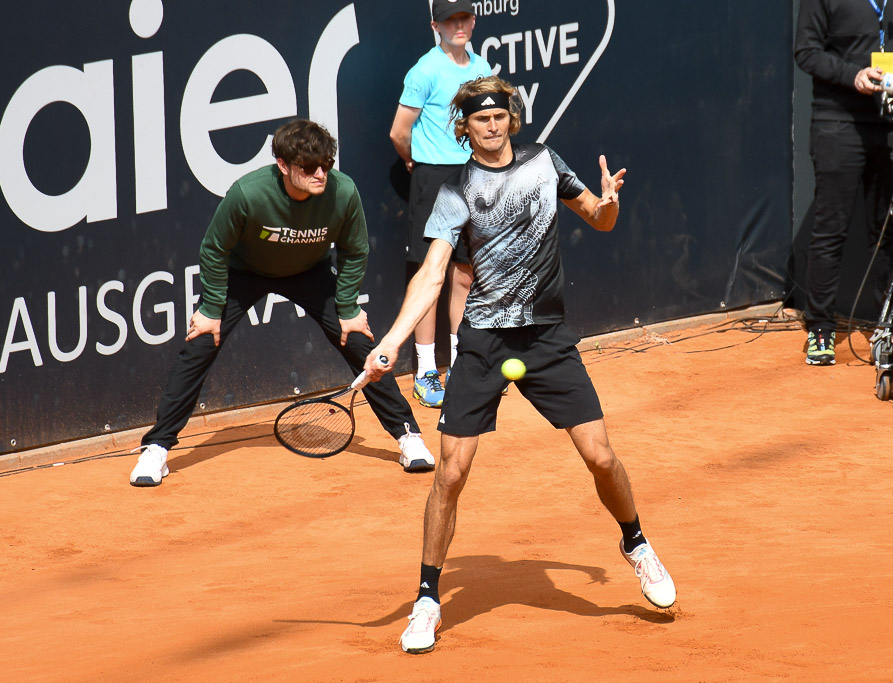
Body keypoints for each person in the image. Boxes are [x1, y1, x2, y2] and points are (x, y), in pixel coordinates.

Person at [365, 76, 676, 655]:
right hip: (483, 340)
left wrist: (608, 205)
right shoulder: (455, 191)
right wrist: (391, 341)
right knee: (451, 472)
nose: (492, 125)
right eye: (480, 119)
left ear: (511, 118)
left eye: (500, 116)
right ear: (466, 125)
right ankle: (428, 600)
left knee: (600, 455)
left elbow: (598, 219)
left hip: (547, 339)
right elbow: (433, 275)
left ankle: (636, 544)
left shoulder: (545, 163)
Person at [128, 119, 435, 487]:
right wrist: (210, 310)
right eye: (308, 167)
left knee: (357, 341)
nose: (320, 174)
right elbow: (214, 249)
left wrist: (349, 308)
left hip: (310, 272)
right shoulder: (247, 194)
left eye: (326, 165)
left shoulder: (343, 193)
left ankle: (408, 437)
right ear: (283, 165)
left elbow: (355, 251)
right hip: (245, 273)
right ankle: (157, 449)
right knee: (199, 344)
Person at [794, 0, 893, 365]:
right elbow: (806, 51)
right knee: (831, 229)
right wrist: (852, 75)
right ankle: (821, 330)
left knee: (888, 231)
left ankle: (889, 327)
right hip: (838, 123)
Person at [389, 0, 491, 408]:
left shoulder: (483, 70)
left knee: (466, 274)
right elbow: (400, 131)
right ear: (436, 26)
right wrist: (417, 159)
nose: (459, 26)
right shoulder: (424, 70)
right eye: (450, 20)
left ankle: (463, 364)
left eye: (464, 18)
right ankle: (427, 371)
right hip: (433, 178)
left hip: (474, 174)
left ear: (473, 21)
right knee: (431, 275)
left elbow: (489, 124)